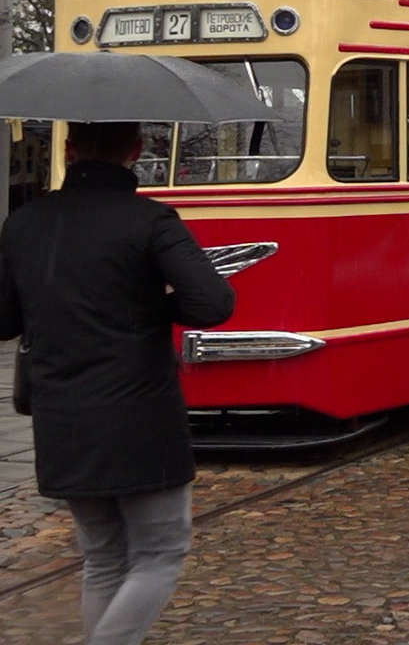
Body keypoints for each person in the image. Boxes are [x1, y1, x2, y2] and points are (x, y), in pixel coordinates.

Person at [0, 121, 234, 645]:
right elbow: (214, 303)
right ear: (137, 150)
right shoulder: (151, 221)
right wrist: (150, 305)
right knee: (160, 553)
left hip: (61, 417)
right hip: (140, 415)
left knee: (103, 557)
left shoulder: (25, 223)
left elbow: (4, 321)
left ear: (69, 149)